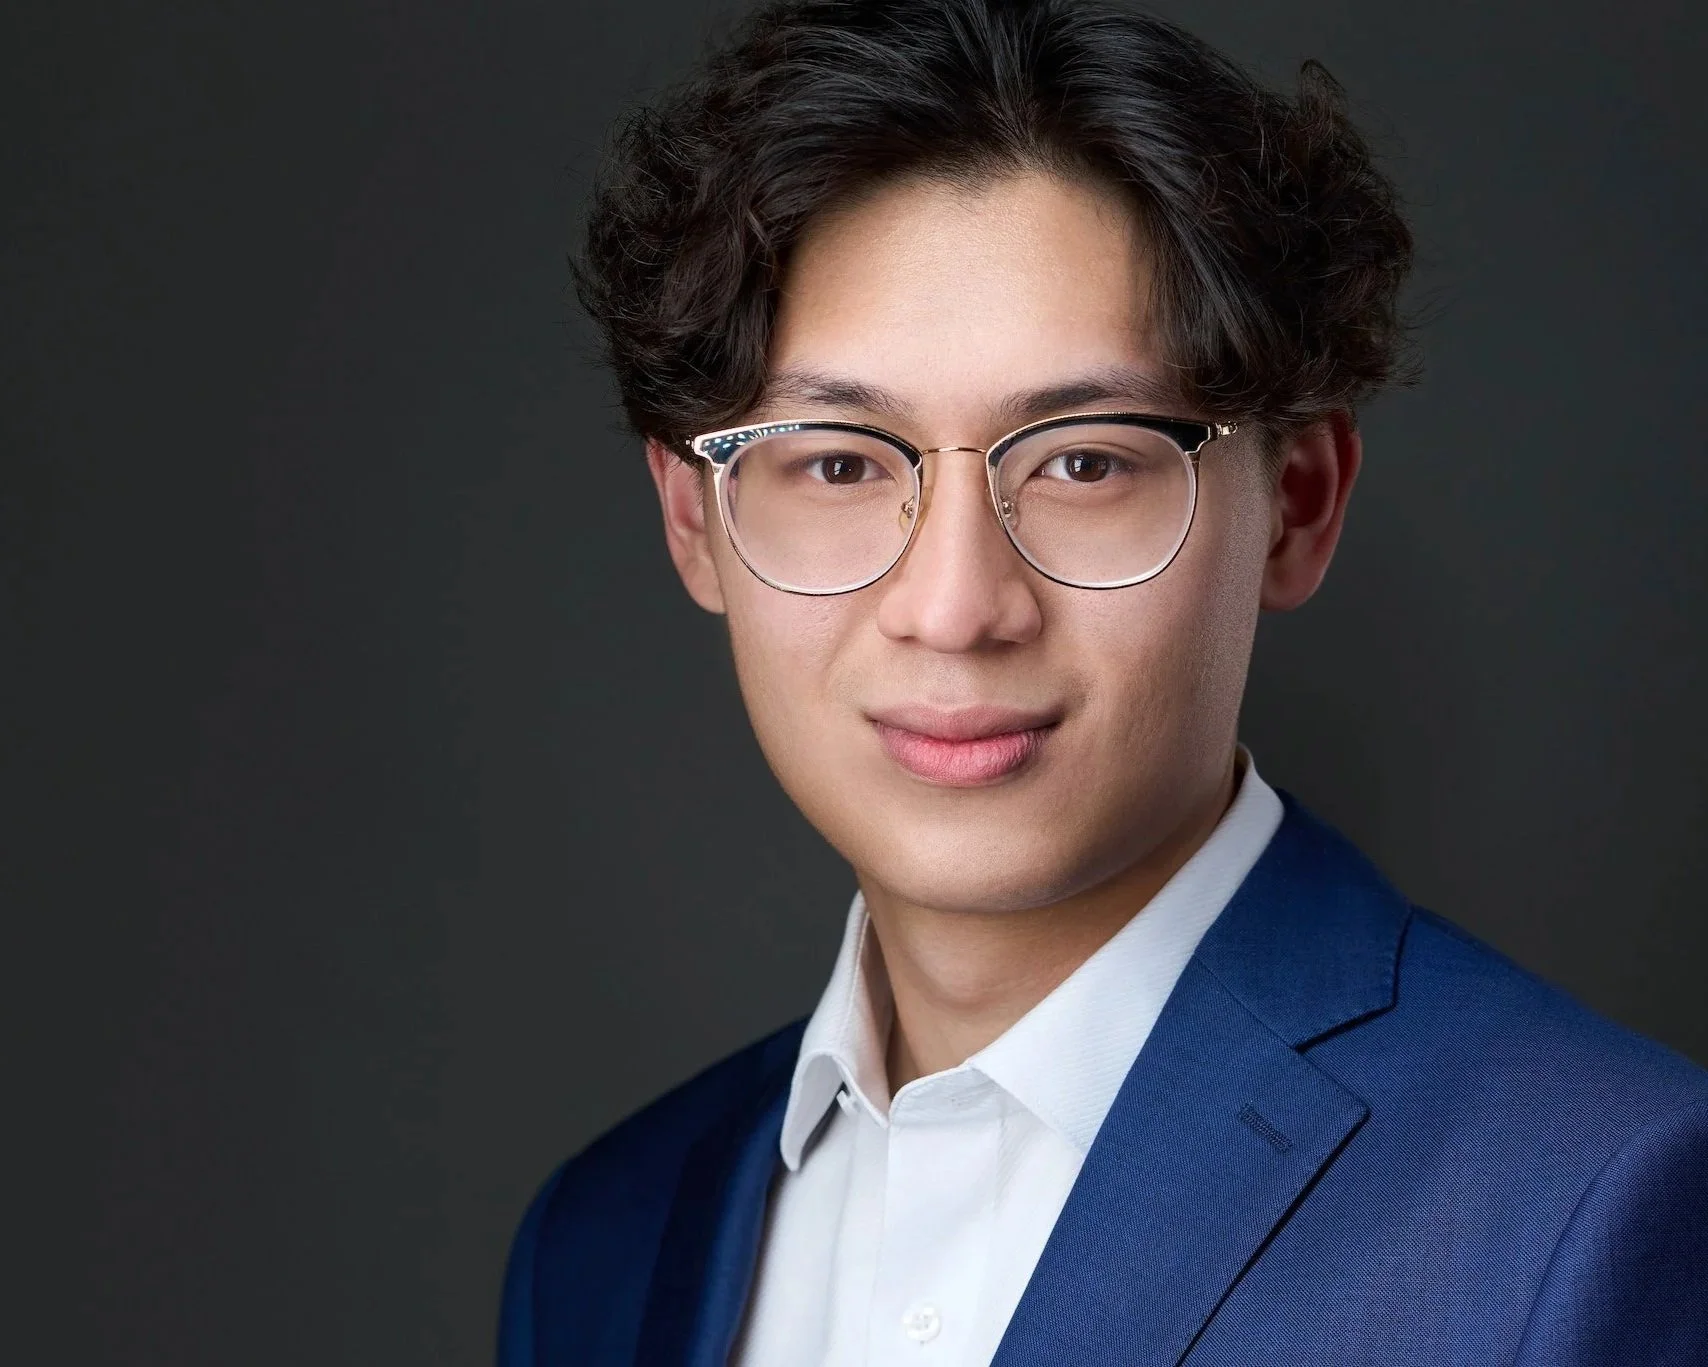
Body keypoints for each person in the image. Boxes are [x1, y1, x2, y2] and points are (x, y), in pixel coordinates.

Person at [498, 1, 1708, 1362]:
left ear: (1298, 503)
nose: (953, 608)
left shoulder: (1595, 1204)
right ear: (691, 520)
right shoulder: (604, 1241)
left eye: (1084, 461)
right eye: (839, 461)